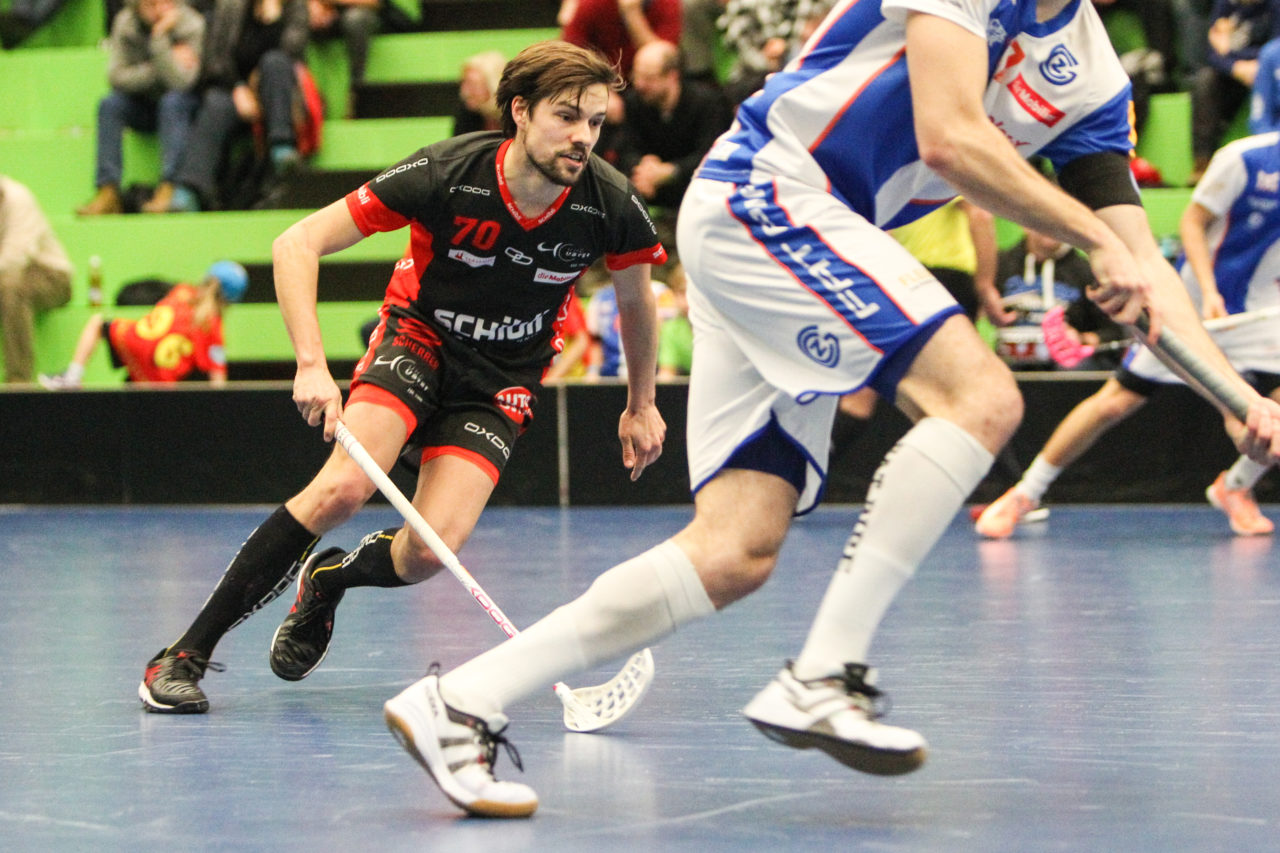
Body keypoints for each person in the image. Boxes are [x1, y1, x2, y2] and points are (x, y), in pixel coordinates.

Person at [379, 0, 1280, 819]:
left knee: (734, 550)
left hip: (797, 229)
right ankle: (822, 672)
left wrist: (1241, 402)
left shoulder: (1093, 73)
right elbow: (951, 139)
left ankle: (460, 698)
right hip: (767, 195)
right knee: (982, 396)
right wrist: (1090, 240)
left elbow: (1140, 260)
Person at [136, 40, 668, 714]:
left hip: (501, 379)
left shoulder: (607, 204)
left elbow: (634, 301)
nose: (583, 137)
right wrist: (310, 364)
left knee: (431, 549)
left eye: (595, 122)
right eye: (568, 116)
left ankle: (330, 578)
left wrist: (641, 403)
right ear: (520, 111)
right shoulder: (448, 172)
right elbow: (296, 243)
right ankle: (183, 654)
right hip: (419, 341)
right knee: (342, 487)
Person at [977, 131, 1280, 538]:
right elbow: (1192, 222)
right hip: (1193, 310)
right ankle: (1025, 493)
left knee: (1261, 412)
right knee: (1115, 402)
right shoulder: (1244, 159)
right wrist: (1208, 292)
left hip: (1261, 316)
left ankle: (1236, 487)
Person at [164, 0, 311, 212]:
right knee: (216, 102)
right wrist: (237, 87)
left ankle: (282, 147)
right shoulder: (230, 5)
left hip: (279, 90)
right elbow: (214, 60)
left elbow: (293, 51)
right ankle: (190, 188)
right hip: (235, 92)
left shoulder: (295, 5)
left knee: (275, 62)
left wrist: (273, 20)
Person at [76, 0, 205, 217]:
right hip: (142, 103)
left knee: (172, 102)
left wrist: (159, 37)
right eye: (150, 3)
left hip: (183, 107)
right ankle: (108, 190)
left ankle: (169, 187)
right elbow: (116, 77)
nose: (158, 9)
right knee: (110, 104)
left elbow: (182, 82)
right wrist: (162, 66)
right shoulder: (125, 22)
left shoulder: (191, 24)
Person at [38, 261, 247, 388]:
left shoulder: (181, 290)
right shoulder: (214, 327)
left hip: (132, 341)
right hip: (159, 377)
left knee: (98, 323)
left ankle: (73, 375)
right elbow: (218, 380)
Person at [616, 39, 732, 210]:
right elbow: (625, 146)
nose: (640, 84)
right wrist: (643, 164)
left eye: (648, 78)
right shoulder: (634, 101)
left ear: (672, 76)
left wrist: (671, 171)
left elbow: (711, 154)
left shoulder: (708, 103)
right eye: (637, 75)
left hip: (696, 195)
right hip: (649, 192)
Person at [1189, 0, 1280, 183]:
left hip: (1267, 67)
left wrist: (1238, 55)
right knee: (1206, 80)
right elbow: (1212, 53)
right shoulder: (1225, 4)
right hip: (1236, 71)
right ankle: (1203, 162)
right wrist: (1235, 66)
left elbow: (1275, 48)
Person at [0, 175, 72, 385]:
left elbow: (15, 258)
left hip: (52, 276)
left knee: (12, 290)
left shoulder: (17, 199)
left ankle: (19, 380)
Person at [560, 0, 681, 78]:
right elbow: (570, 53)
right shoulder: (592, 4)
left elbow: (663, 59)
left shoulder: (667, 4)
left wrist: (632, 13)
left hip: (650, 82)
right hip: (603, 80)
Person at [306, 0, 379, 118]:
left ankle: (357, 93)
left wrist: (329, 4)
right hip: (321, 10)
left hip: (358, 11)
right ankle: (309, 97)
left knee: (355, 19)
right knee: (299, 18)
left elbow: (374, 2)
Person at [451, 50, 506, 136]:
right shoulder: (466, 117)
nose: (464, 92)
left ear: (494, 85)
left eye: (472, 84)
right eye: (464, 83)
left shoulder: (517, 118)